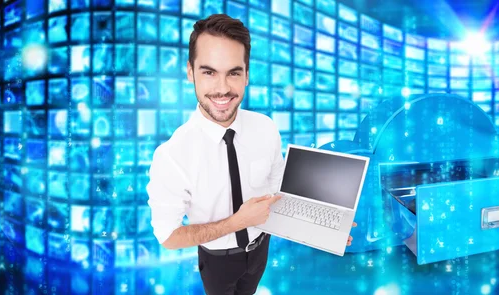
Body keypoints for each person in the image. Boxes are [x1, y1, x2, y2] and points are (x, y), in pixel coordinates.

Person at [146, 14, 356, 295]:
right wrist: (236, 223)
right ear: (190, 72)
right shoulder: (172, 155)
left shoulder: (265, 128)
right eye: (209, 72)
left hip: (261, 248)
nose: (222, 88)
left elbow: (276, 189)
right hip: (217, 260)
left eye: (233, 72)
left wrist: (318, 226)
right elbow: (168, 236)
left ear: (246, 74)